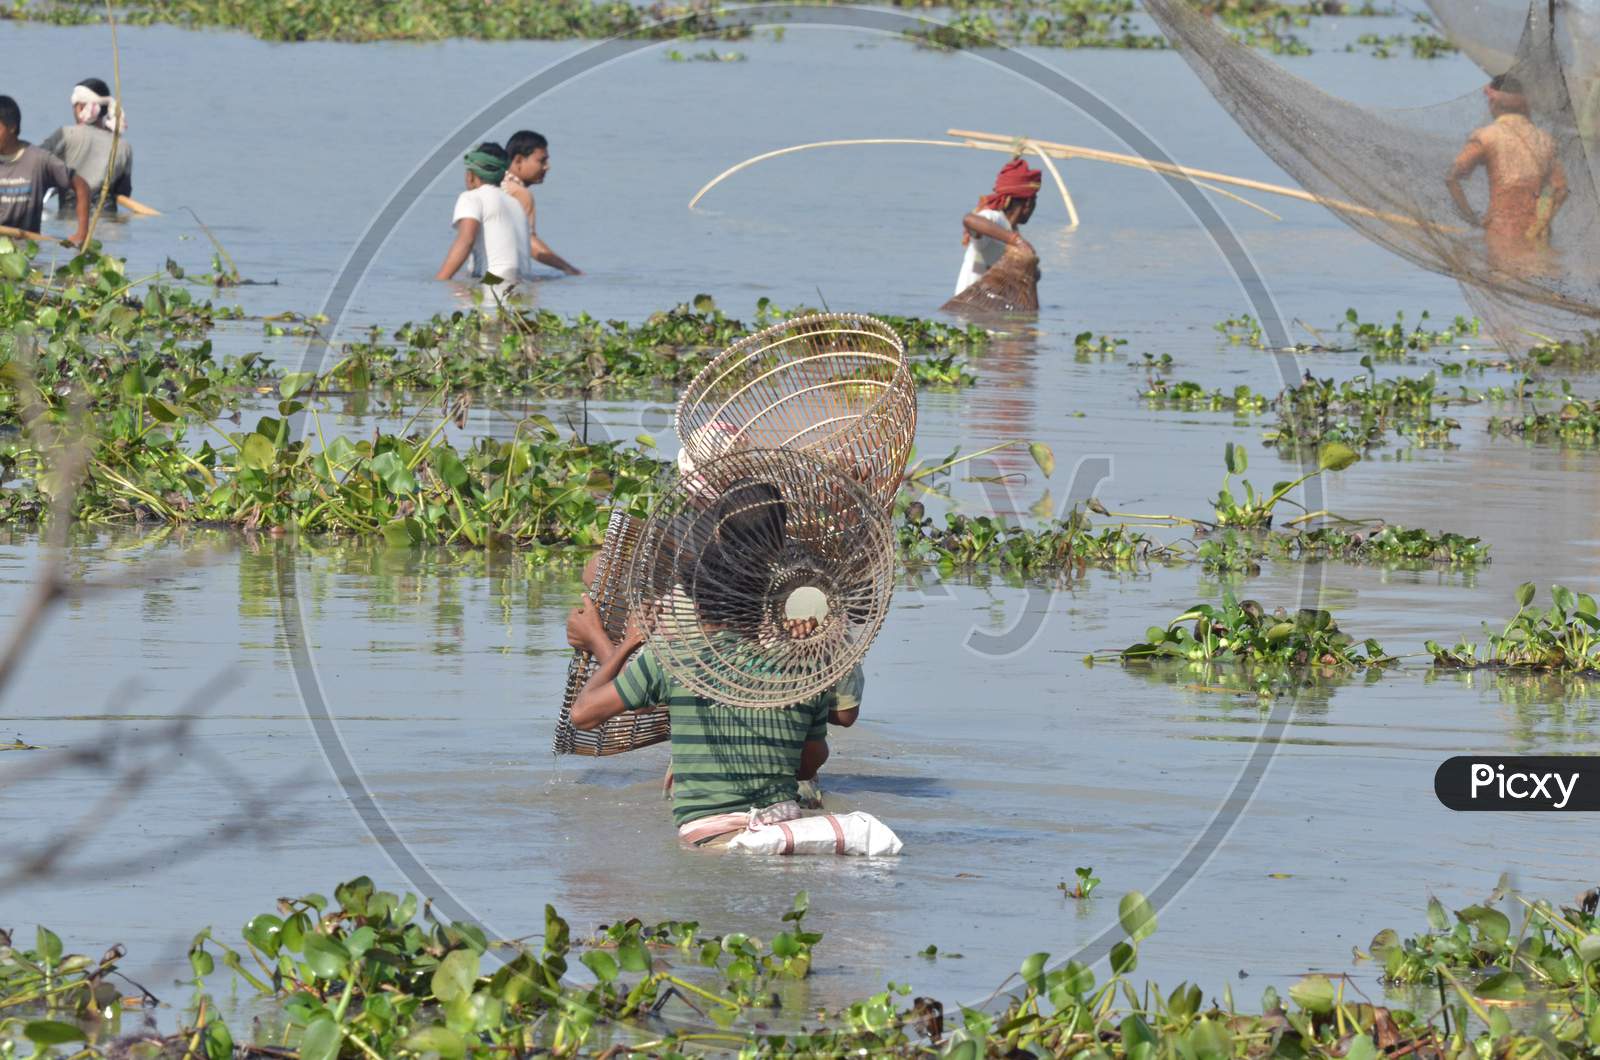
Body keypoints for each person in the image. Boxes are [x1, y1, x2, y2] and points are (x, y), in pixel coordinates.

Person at [565, 483, 867, 848]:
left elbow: (597, 711)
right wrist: (804, 658)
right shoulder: (807, 638)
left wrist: (620, 643)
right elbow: (832, 734)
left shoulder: (677, 645)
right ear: (784, 532)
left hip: (707, 815)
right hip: (785, 815)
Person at [1446, 73, 1568, 273]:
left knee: (1505, 280)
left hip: (1502, 231)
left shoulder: (1486, 137)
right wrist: (1541, 223)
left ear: (1493, 104)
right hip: (1539, 234)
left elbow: (1452, 177)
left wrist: (1470, 218)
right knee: (1540, 285)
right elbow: (1561, 189)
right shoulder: (1545, 139)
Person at [435, 142, 533, 283]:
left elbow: (466, 240)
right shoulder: (515, 204)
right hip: (523, 289)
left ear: (471, 175)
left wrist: (440, 280)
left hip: (494, 286)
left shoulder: (472, 197)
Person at [0, 95, 88, 244]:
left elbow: (82, 187)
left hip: (27, 250)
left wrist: (81, 233)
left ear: (12, 128)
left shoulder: (39, 160)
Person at [38, 77, 132, 213]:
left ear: (81, 107)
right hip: (110, 226)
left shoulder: (66, 134)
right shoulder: (124, 146)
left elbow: (33, 164)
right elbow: (124, 192)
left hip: (71, 221)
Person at [954, 157, 1041, 297]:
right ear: (1028, 204)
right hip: (968, 306)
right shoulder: (994, 219)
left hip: (989, 309)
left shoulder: (1010, 229)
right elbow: (969, 219)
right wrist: (1016, 240)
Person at [501, 130, 581, 276]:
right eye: (541, 161)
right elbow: (527, 240)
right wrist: (568, 268)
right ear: (518, 160)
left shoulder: (495, 186)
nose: (547, 167)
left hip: (484, 274)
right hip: (506, 277)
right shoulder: (520, 193)